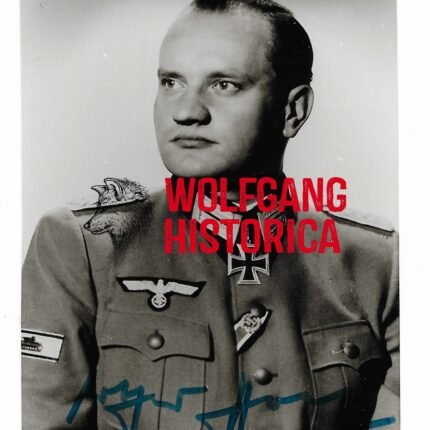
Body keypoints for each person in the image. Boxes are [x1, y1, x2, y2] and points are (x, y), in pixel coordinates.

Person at [22, 0, 399, 429]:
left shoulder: (380, 264)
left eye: (223, 85)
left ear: (292, 111)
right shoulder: (85, 248)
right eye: (171, 82)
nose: (186, 112)